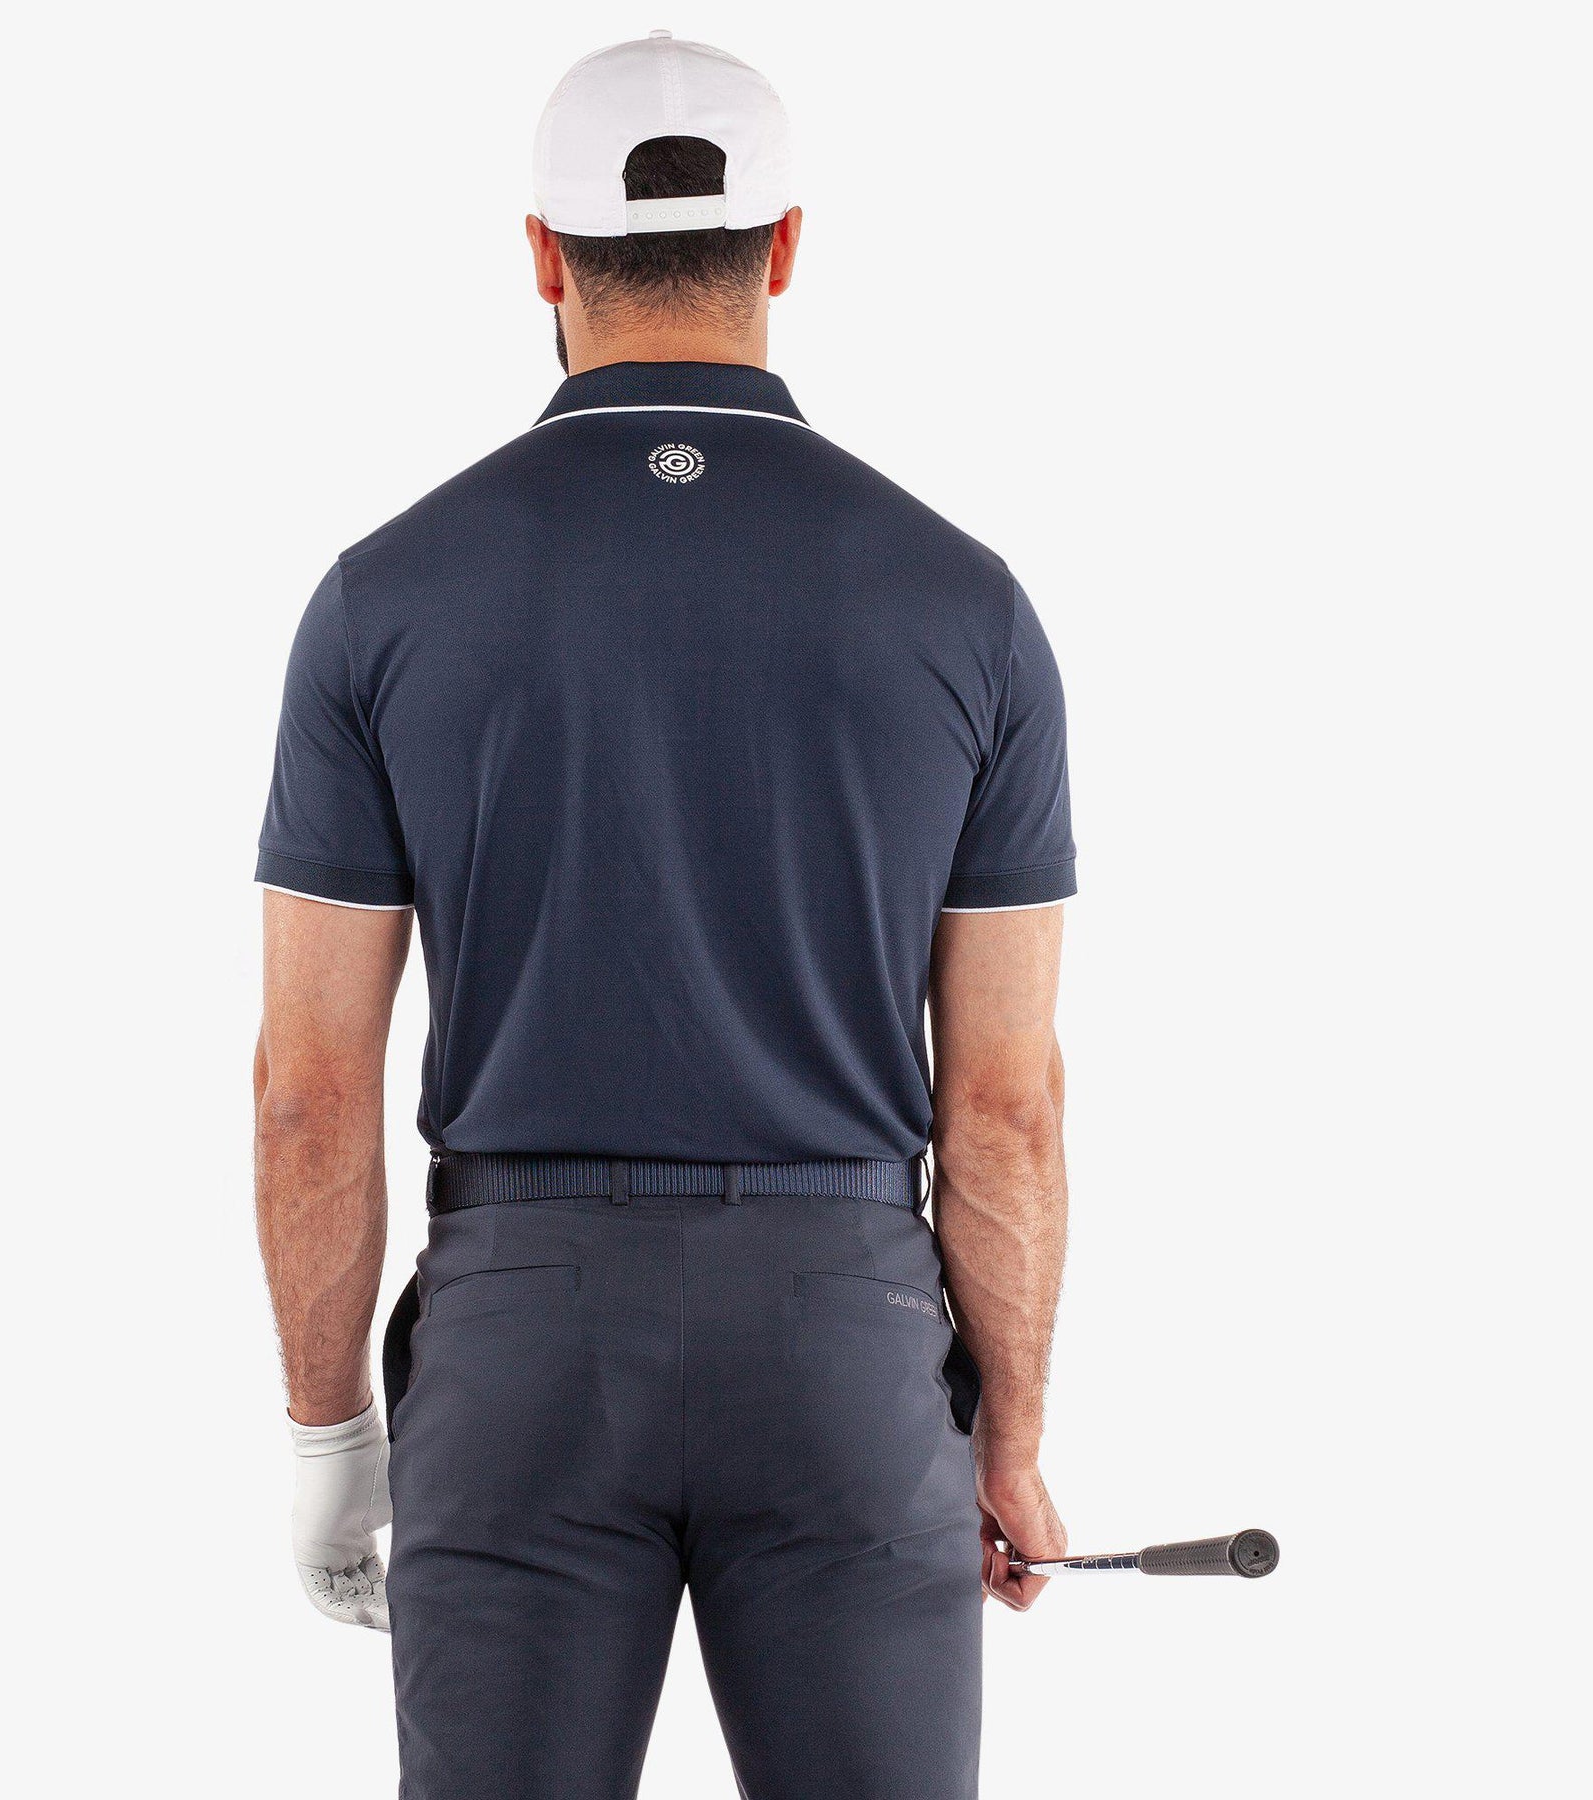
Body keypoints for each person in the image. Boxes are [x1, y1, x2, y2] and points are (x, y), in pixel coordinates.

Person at [253, 31, 1075, 1799]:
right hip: (849, 1338)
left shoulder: (383, 597)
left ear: (541, 257)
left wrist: (330, 1438)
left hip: (518, 1343)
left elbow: (308, 1089)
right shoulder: (968, 606)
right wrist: (1007, 1438)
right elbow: (1006, 1103)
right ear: (787, 247)